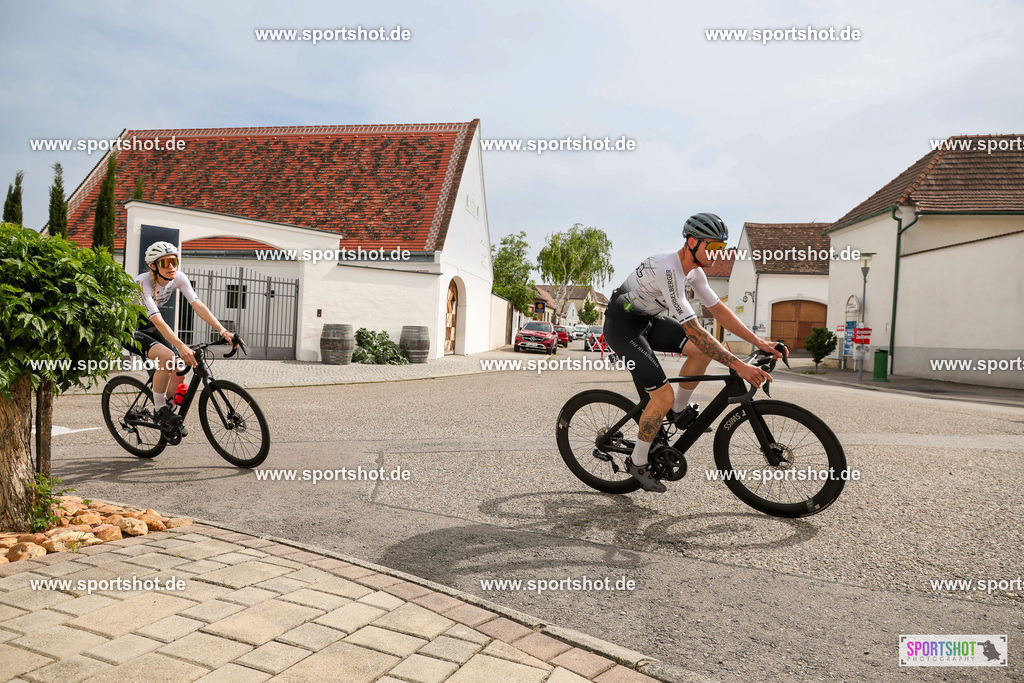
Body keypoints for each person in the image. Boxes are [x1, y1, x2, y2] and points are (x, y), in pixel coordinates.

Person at [603, 213, 786, 492]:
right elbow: (695, 330)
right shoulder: (669, 268)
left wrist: (759, 343)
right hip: (622, 328)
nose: (718, 254)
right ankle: (637, 461)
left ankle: (678, 412)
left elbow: (720, 311)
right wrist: (739, 366)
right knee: (661, 396)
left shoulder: (696, 272)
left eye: (721, 248)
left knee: (702, 353)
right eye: (712, 247)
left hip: (647, 322)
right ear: (692, 242)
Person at [128, 241, 242, 425]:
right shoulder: (144, 282)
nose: (171, 266)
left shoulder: (179, 277)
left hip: (150, 325)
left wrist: (223, 331)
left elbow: (197, 305)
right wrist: (181, 346)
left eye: (174, 261)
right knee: (168, 357)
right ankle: (159, 410)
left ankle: (169, 407)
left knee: (180, 369)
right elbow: (157, 320)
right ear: (153, 266)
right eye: (165, 263)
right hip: (129, 327)